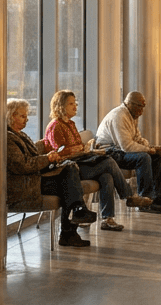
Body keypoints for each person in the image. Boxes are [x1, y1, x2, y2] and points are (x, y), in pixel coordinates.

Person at [44, 90, 153, 231]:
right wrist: (78, 149)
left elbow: (77, 147)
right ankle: (128, 196)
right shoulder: (55, 126)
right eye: (71, 103)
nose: (75, 106)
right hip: (67, 170)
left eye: (75, 103)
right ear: (60, 106)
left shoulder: (70, 124)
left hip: (79, 162)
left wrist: (86, 149)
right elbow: (59, 154)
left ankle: (108, 219)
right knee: (108, 162)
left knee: (106, 176)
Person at [6, 98, 98, 248]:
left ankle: (76, 216)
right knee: (70, 182)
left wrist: (49, 158)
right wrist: (47, 158)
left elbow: (32, 159)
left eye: (26, 116)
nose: (27, 119)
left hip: (35, 179)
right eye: (23, 116)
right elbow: (23, 165)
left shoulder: (19, 135)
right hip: (26, 186)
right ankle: (71, 225)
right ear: (11, 116)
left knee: (69, 171)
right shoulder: (9, 138)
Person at [94, 91, 161, 214]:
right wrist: (149, 150)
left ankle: (155, 195)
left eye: (143, 106)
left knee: (158, 155)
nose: (142, 110)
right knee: (143, 158)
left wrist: (153, 148)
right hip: (109, 152)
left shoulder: (131, 116)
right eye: (139, 106)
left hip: (119, 150)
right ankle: (144, 199)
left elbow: (137, 139)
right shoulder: (119, 116)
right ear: (129, 103)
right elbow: (127, 146)